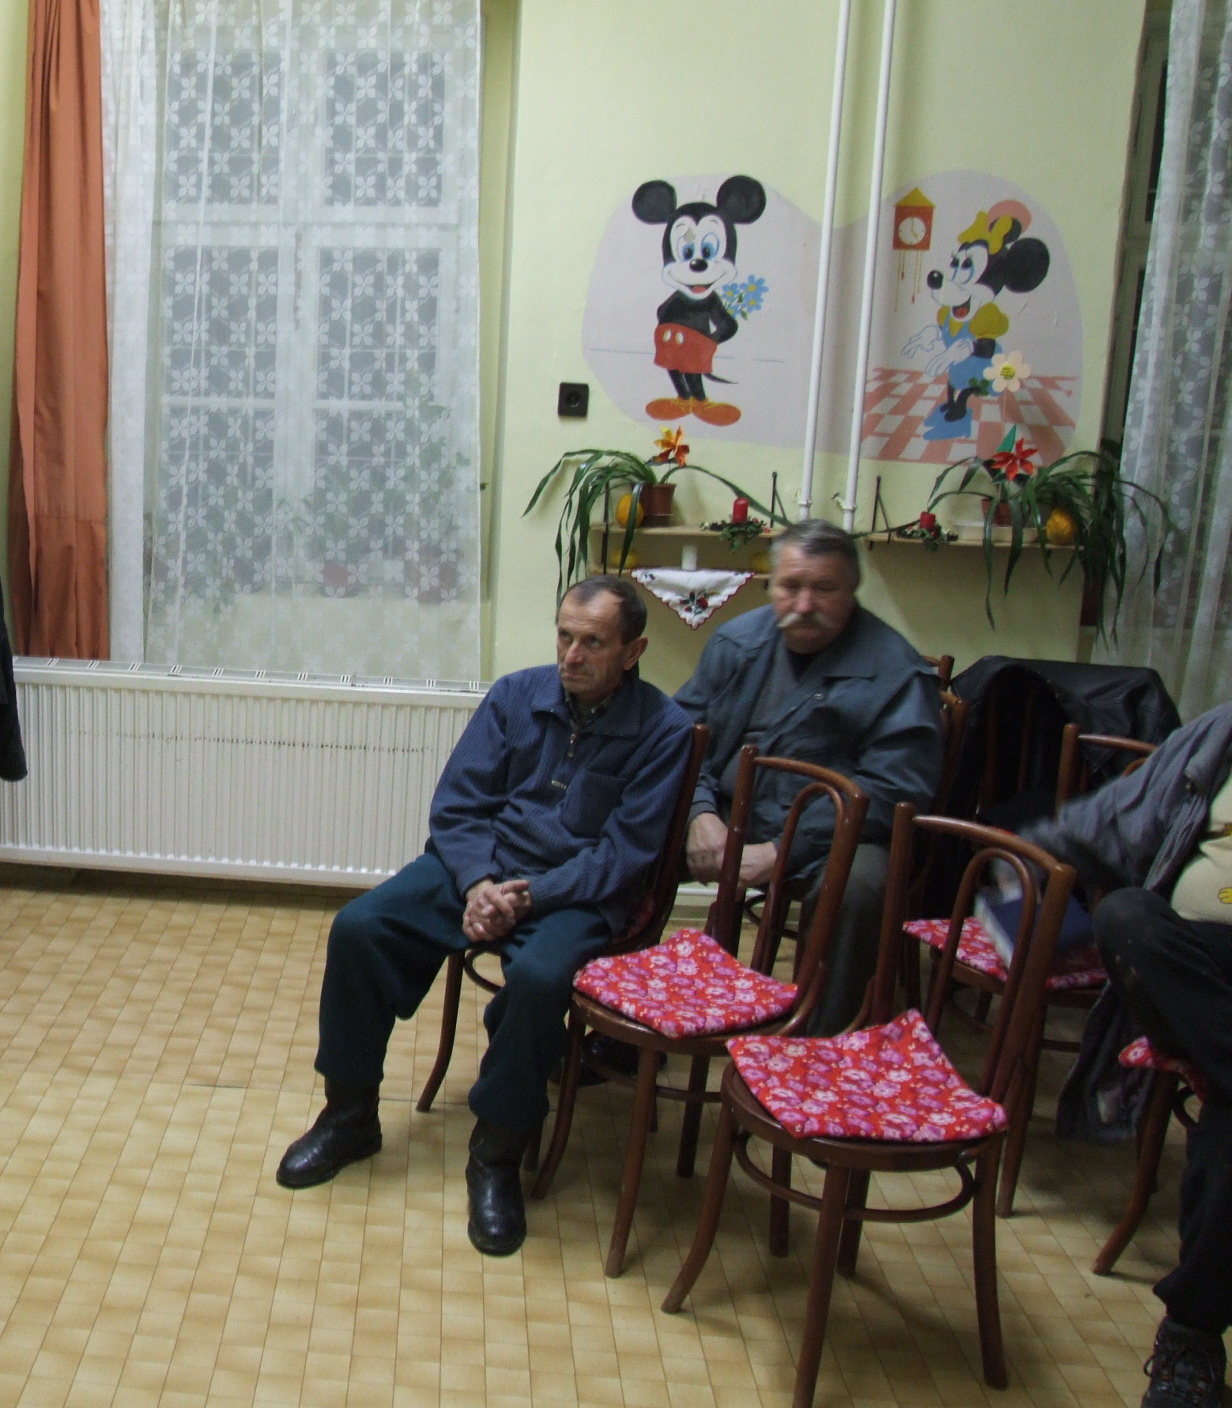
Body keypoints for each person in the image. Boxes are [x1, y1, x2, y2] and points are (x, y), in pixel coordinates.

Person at [276, 576, 695, 1256]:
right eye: (565, 636)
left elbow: (624, 856)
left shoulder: (664, 730)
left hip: (573, 893)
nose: (572, 655)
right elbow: (458, 805)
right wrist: (478, 883)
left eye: (593, 643)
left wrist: (529, 896)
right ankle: (348, 1115)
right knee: (359, 928)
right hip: (479, 869)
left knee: (539, 979)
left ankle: (496, 1153)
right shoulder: (515, 695)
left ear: (633, 651)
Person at [1019, 703, 1232, 1408]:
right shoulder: (1222, 733)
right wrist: (1020, 871)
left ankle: (1191, 1337)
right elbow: (1104, 820)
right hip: (1197, 968)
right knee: (1127, 915)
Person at [673, 519, 942, 1034]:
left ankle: (821, 1042)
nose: (804, 604)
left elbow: (896, 790)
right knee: (632, 836)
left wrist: (781, 853)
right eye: (790, 586)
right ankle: (631, 1020)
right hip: (732, 811)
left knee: (860, 887)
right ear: (769, 585)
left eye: (824, 588)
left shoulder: (897, 673)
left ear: (853, 589)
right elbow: (679, 736)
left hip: (838, 833)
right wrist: (699, 814)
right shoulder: (737, 643)